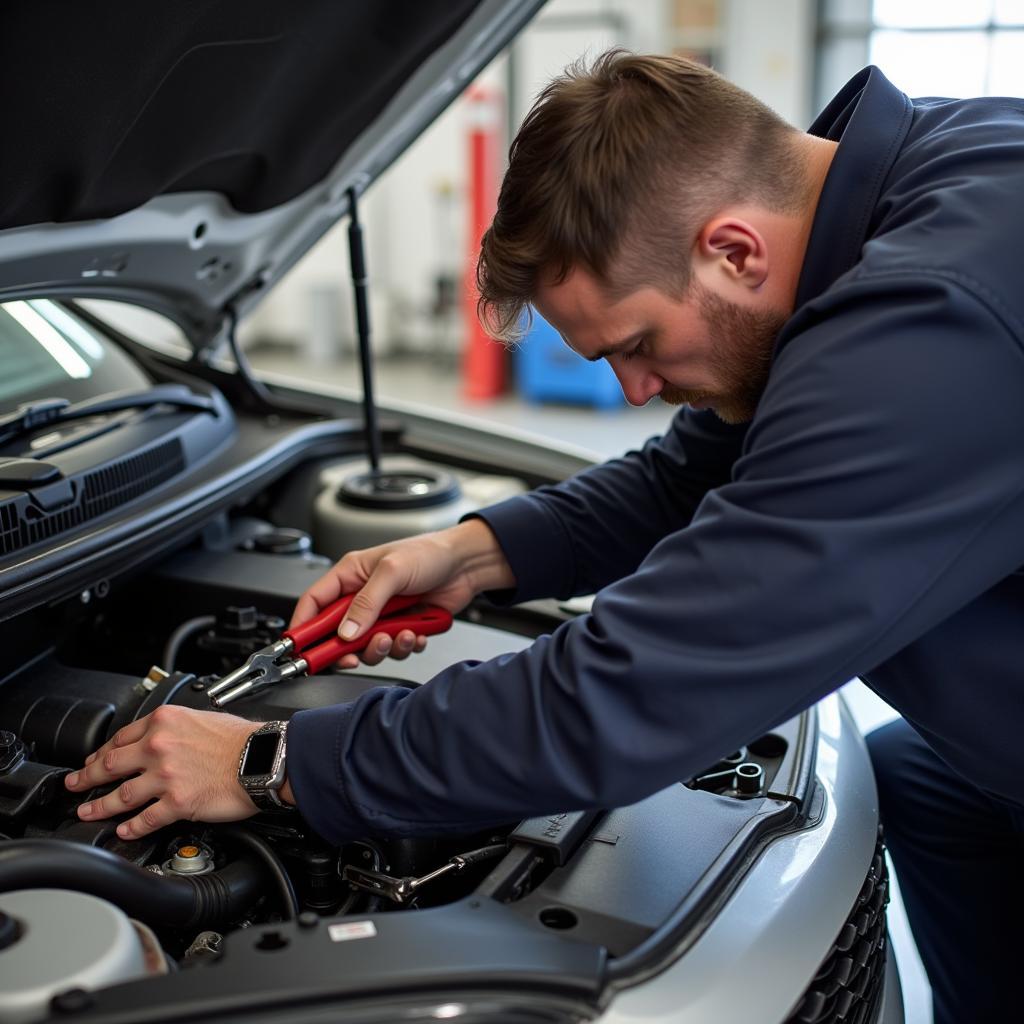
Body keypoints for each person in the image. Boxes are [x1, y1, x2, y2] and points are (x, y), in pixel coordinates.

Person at [65, 51, 1024, 1022]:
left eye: (636, 347)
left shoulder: (935, 318)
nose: (635, 393)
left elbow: (632, 690)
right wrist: (469, 553)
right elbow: (690, 473)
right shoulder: (887, 202)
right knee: (922, 777)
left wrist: (269, 761)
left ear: (734, 251)